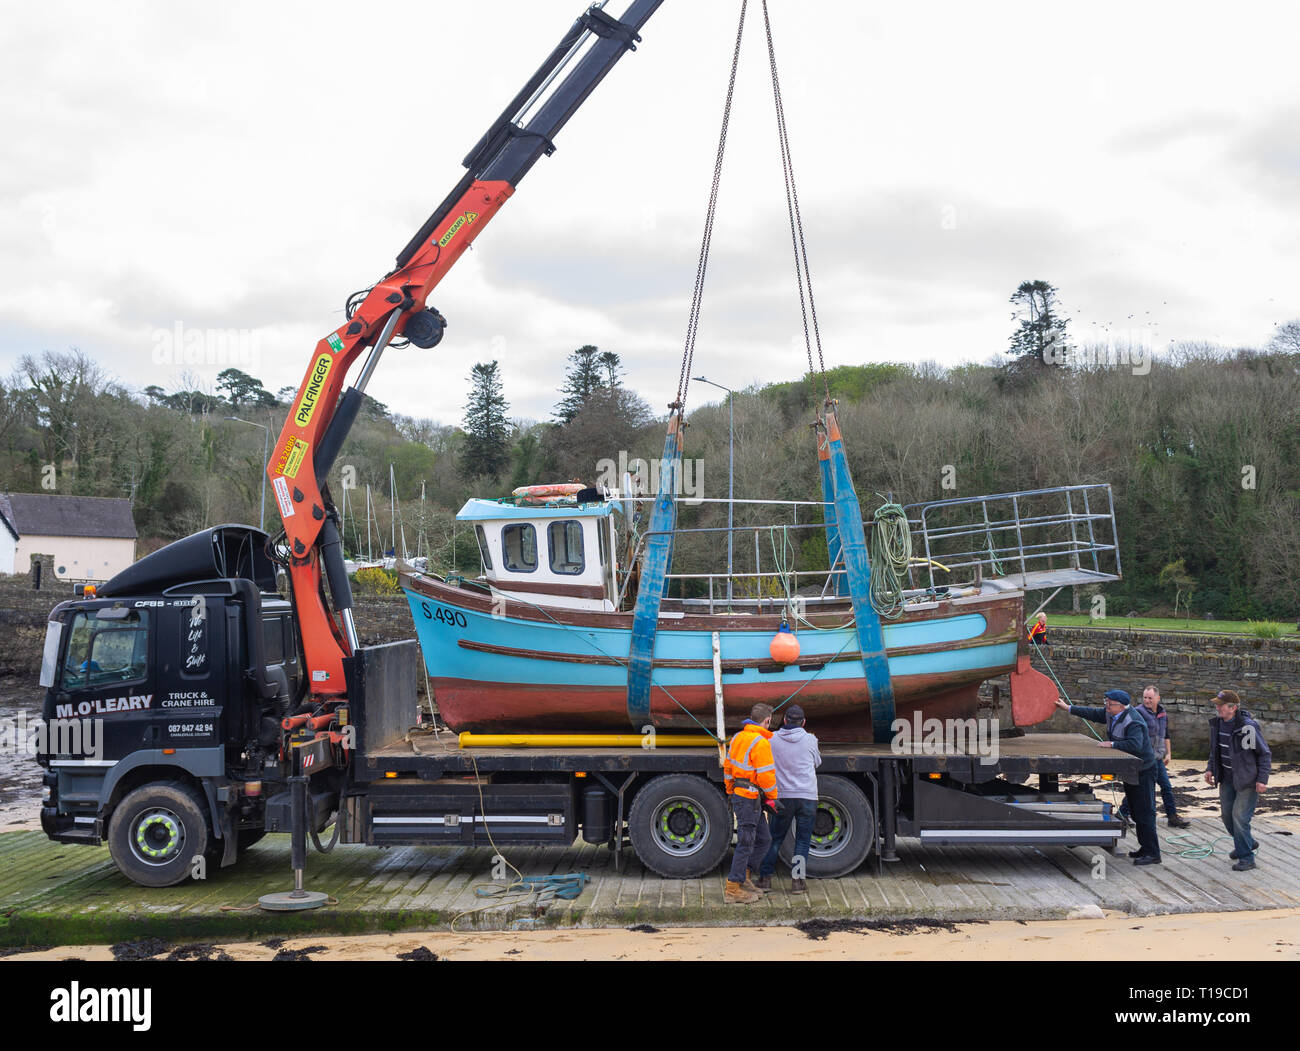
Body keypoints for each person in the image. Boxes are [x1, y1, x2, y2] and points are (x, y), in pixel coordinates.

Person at [1056, 688, 1160, 864]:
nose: (1107, 707)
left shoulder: (1133, 721)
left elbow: (1135, 744)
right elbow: (1093, 713)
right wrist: (1068, 708)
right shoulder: (1112, 713)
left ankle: (1153, 854)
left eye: (1110, 704)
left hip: (1144, 770)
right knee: (1135, 810)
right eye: (1106, 703)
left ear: (1121, 706)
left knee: (1145, 812)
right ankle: (1145, 848)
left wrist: (1111, 744)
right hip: (1131, 769)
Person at [756, 704, 822, 894]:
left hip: (782, 796)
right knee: (802, 840)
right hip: (807, 796)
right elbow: (817, 762)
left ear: (784, 720)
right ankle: (797, 882)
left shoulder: (772, 739)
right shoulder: (811, 739)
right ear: (803, 723)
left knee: (775, 839)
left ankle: (765, 879)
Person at [1203, 689, 1271, 872]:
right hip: (1226, 778)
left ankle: (1247, 857)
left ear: (1232, 708)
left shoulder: (1247, 728)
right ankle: (1247, 843)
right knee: (1227, 816)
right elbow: (1215, 750)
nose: (1217, 708)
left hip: (1247, 780)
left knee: (1240, 818)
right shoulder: (1217, 724)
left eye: (1220, 705)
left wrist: (1262, 780)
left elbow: (1263, 755)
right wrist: (1210, 768)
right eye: (1216, 704)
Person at [723, 703, 778, 904]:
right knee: (746, 842)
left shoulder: (738, 738)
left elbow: (728, 766)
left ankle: (745, 877)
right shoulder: (761, 743)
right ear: (767, 721)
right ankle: (732, 888)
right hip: (749, 796)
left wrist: (730, 789)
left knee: (764, 839)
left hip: (743, 794)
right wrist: (772, 796)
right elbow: (766, 776)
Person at [1117, 686, 1190, 829]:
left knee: (1166, 787)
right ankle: (1122, 813)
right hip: (1143, 759)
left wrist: (1168, 753)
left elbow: (1166, 734)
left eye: (1150, 698)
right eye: (1145, 697)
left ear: (1158, 698)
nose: (1147, 700)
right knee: (1141, 788)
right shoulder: (1138, 712)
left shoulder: (1162, 713)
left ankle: (1172, 817)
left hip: (1157, 758)